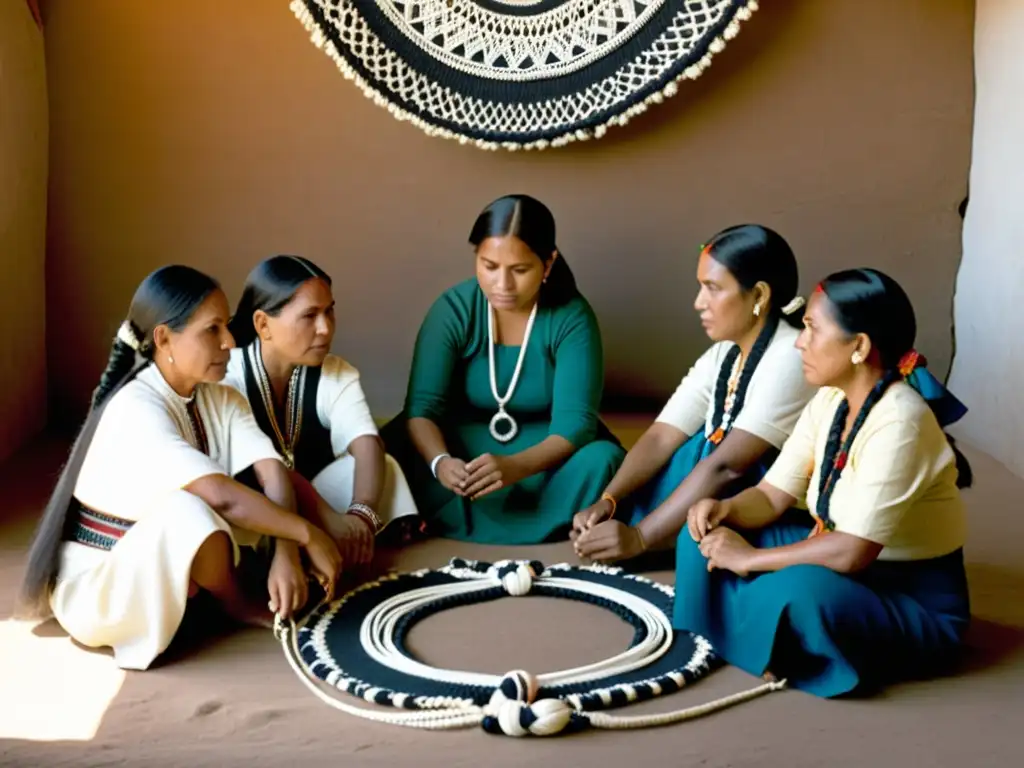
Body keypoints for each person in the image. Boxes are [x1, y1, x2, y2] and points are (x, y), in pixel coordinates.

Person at [16, 265, 343, 671]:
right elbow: (222, 498)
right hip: (102, 588)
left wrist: (287, 553)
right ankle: (235, 603)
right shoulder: (135, 406)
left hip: (158, 561)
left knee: (252, 507)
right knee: (193, 510)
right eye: (212, 330)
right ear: (164, 338)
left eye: (226, 326)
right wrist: (307, 533)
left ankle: (205, 589)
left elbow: (271, 469)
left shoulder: (219, 397)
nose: (228, 342)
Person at [674, 267, 973, 698]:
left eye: (812, 329)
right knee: (700, 532)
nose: (799, 340)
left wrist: (750, 560)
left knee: (798, 589)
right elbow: (771, 496)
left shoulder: (901, 421)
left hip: (906, 597)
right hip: (837, 555)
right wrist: (725, 510)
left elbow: (852, 551)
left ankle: (744, 631)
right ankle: (746, 635)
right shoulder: (832, 399)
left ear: (859, 346)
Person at [380, 194, 625, 544]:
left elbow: (575, 426)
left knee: (605, 460)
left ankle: (448, 517)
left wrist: (515, 467)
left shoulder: (572, 316)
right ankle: (441, 505)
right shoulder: (454, 309)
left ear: (548, 263)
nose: (502, 285)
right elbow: (422, 409)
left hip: (544, 456)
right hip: (461, 450)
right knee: (388, 451)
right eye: (489, 266)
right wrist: (441, 463)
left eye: (520, 270)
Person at [573, 225, 817, 563]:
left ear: (759, 295)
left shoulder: (791, 356)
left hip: (755, 507)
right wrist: (610, 499)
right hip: (708, 491)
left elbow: (728, 467)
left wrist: (640, 537)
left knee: (706, 453)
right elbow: (661, 436)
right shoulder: (723, 354)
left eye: (713, 288)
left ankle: (660, 538)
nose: (698, 302)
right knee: (688, 447)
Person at [224, 255, 421, 567]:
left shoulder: (336, 373)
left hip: (316, 500)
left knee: (384, 465)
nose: (325, 328)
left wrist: (361, 515)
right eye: (309, 316)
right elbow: (256, 473)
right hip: (255, 507)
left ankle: (345, 543)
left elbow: (366, 443)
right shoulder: (228, 377)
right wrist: (328, 518)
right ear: (263, 324)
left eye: (329, 311)